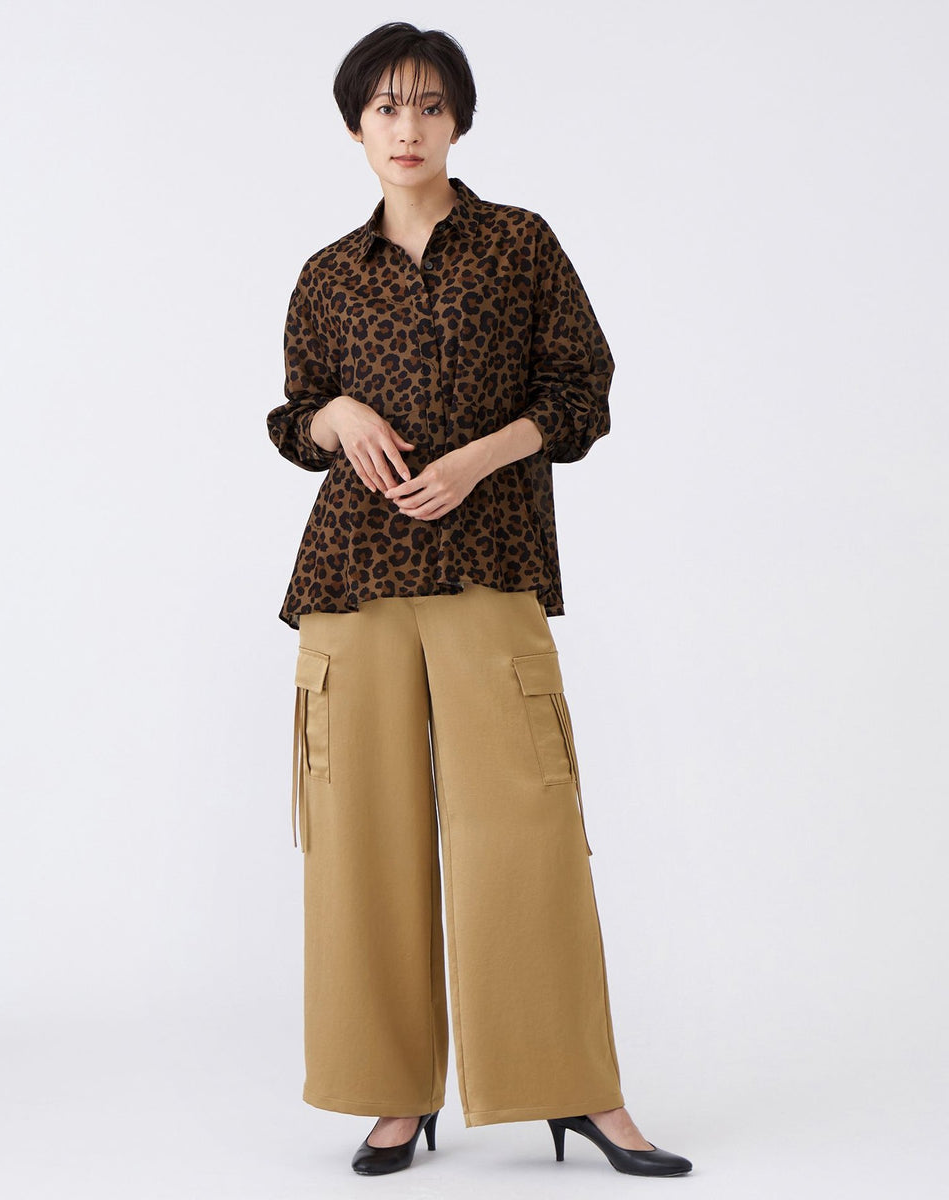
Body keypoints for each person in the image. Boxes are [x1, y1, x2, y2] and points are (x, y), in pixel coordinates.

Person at [266, 21, 693, 1180]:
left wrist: (481, 457)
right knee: (361, 848)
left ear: (458, 119)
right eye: (385, 108)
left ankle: (578, 1093)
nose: (406, 128)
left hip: (488, 562)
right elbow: (291, 417)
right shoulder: (325, 275)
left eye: (428, 106)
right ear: (355, 127)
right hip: (351, 579)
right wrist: (331, 416)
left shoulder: (518, 244)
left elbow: (581, 391)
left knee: (525, 835)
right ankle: (391, 1096)